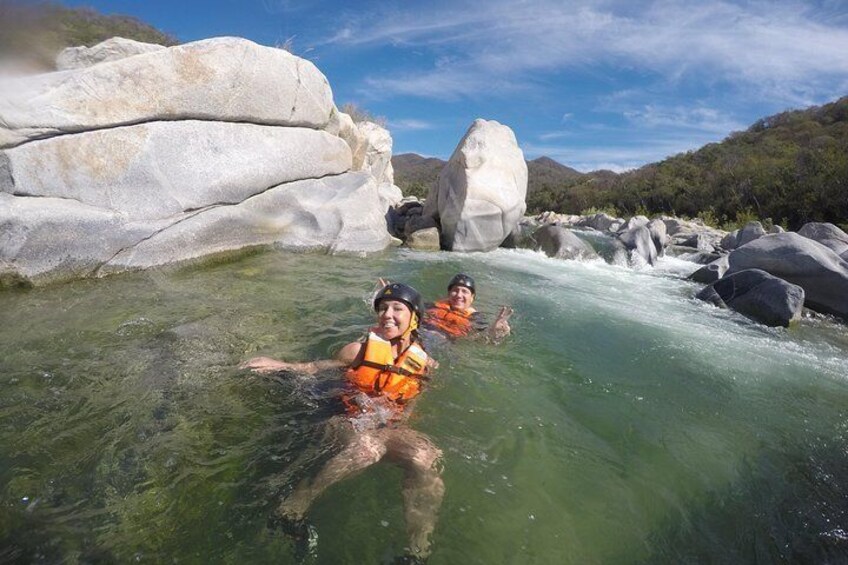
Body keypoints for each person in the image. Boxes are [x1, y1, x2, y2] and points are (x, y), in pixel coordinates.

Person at [240, 283, 443, 562]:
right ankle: (290, 510)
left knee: (424, 456)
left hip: (389, 428)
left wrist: (401, 432)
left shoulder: (425, 366)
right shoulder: (357, 350)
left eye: (397, 308)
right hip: (344, 420)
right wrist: (280, 365)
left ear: (415, 318)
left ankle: (417, 552)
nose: (387, 314)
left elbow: (408, 407)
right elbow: (314, 368)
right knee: (367, 448)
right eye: (383, 308)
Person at [423, 273, 513, 343]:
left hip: (446, 343)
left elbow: (482, 340)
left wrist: (494, 332)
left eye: (464, 292)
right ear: (449, 293)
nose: (459, 295)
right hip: (423, 333)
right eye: (455, 290)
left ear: (472, 298)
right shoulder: (432, 306)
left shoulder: (476, 318)